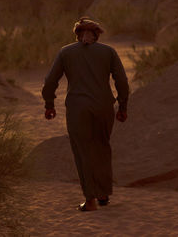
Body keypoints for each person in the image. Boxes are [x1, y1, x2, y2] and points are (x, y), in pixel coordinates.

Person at [41, 17, 129, 211]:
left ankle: (90, 199)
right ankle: (103, 194)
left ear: (77, 35)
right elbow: (121, 81)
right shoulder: (109, 52)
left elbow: (50, 82)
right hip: (104, 107)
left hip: (77, 109)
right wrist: (122, 107)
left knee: (83, 152)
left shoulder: (66, 52)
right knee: (102, 148)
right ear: (96, 35)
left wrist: (49, 104)